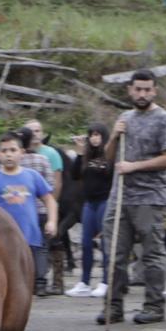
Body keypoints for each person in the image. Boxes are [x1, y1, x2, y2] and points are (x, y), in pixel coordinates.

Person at [99, 69, 166, 326]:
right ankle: (113, 307)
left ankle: (154, 306)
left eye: (147, 89)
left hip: (151, 197)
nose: (142, 94)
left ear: (154, 91)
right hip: (120, 196)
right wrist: (113, 135)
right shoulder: (124, 117)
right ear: (130, 90)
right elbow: (108, 158)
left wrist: (134, 166)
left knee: (152, 254)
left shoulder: (164, 120)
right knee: (114, 254)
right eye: (138, 89)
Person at [0, 134, 57, 295]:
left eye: (13, 150)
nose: (9, 154)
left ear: (22, 152)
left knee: (28, 284)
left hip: (30, 239)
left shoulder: (32, 176)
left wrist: (52, 221)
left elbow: (49, 200)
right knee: (8, 283)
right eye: (4, 151)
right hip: (3, 241)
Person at [66, 126, 114, 298]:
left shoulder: (109, 156)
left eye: (97, 135)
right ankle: (84, 282)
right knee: (86, 243)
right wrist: (79, 153)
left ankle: (106, 281)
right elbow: (74, 175)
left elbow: (111, 175)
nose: (94, 139)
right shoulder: (87, 156)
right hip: (89, 203)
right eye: (91, 135)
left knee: (105, 243)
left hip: (104, 201)